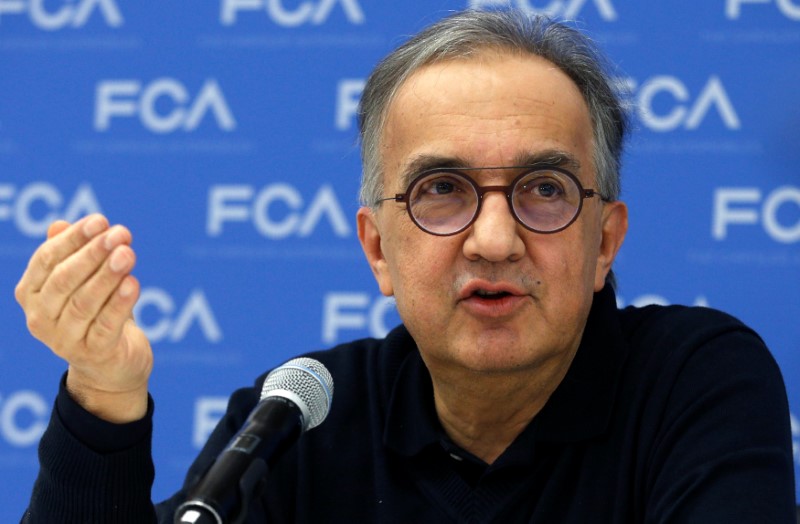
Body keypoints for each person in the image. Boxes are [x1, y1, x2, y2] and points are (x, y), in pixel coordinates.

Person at [15, 9, 796, 524]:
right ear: (379, 248)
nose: (494, 239)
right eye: (443, 190)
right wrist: (103, 397)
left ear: (605, 243)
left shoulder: (696, 382)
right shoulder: (300, 418)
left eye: (545, 189)